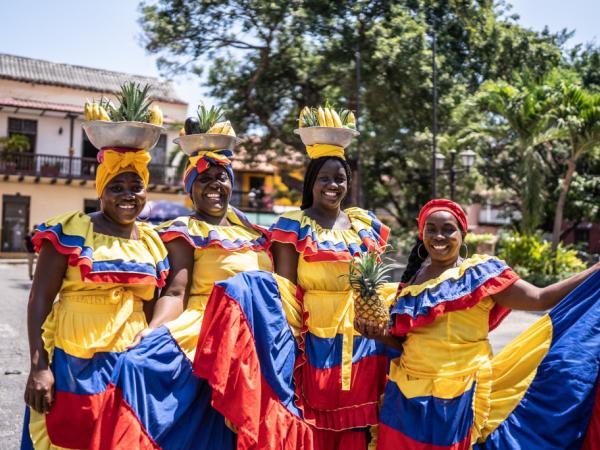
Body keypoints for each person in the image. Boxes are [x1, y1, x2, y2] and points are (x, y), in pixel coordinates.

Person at [90, 141, 307, 449]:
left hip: (261, 332)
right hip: (205, 328)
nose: (214, 185)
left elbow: (282, 286)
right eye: (204, 179)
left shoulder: (257, 235)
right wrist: (153, 330)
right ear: (190, 189)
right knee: (139, 367)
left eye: (222, 177)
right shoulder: (183, 230)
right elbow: (177, 291)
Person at [356, 199, 600, 449]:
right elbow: (404, 344)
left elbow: (540, 298)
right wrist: (378, 334)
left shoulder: (480, 275)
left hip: (457, 395)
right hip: (406, 395)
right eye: (431, 229)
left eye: (448, 229)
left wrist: (596, 269)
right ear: (422, 234)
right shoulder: (409, 287)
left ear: (463, 233)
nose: (439, 236)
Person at [21, 139, 168, 449]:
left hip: (130, 362)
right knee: (71, 438)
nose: (128, 195)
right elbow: (40, 300)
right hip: (74, 359)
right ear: (100, 191)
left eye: (136, 186)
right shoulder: (71, 231)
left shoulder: (152, 240)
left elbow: (154, 304)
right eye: (116, 186)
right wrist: (39, 367)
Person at [270, 137, 396, 449]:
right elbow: (284, 288)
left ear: (348, 184)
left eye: (339, 179)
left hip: (363, 336)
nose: (332, 185)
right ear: (311, 182)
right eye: (324, 178)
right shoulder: (294, 224)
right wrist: (289, 342)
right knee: (311, 415)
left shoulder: (362, 224)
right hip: (313, 336)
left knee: (358, 422)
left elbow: (373, 283)